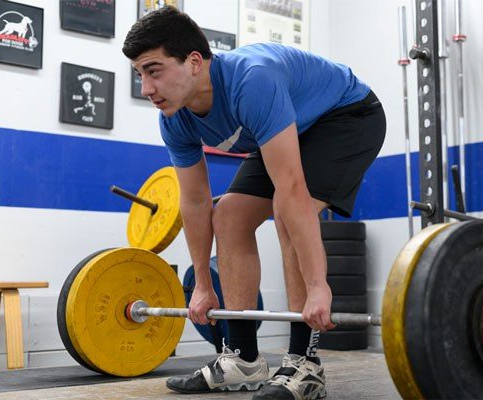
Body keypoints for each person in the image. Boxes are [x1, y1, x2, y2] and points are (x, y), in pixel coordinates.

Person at [123, 6, 385, 400]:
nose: (146, 88)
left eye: (154, 70)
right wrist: (202, 285)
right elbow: (194, 203)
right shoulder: (174, 119)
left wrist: (318, 287)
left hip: (346, 116)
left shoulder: (251, 82)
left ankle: (305, 365)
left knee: (285, 208)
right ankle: (242, 358)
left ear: (194, 62)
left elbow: (293, 191)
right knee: (227, 215)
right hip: (292, 126)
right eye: (139, 74)